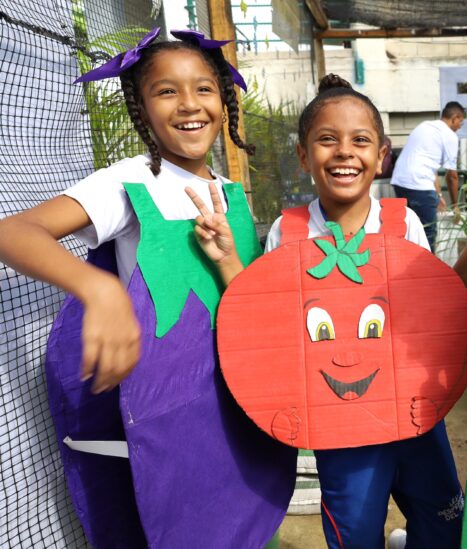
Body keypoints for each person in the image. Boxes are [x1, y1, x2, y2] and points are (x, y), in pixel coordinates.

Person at [188, 74, 467, 549]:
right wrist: (227, 260)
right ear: (304, 156)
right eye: (327, 140)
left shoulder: (402, 223)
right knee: (355, 530)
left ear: (381, 156)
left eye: (359, 140)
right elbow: (266, 320)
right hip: (338, 421)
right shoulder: (289, 231)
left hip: (414, 411)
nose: (344, 152)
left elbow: (434, 308)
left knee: (443, 516)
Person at [0, 28, 295, 547]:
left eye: (203, 88)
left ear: (224, 102)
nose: (188, 105)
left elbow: (245, 307)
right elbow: (13, 231)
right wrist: (99, 289)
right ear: (140, 105)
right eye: (166, 91)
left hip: (238, 409)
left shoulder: (229, 191)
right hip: (170, 418)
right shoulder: (128, 182)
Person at [390, 101, 465, 250]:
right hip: (419, 185)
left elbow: (431, 166)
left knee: (409, 231)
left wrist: (438, 195)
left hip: (400, 182)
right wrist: (456, 207)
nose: (460, 126)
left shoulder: (424, 126)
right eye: (460, 122)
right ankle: (426, 270)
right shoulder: (449, 135)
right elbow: (452, 176)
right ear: (455, 118)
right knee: (427, 234)